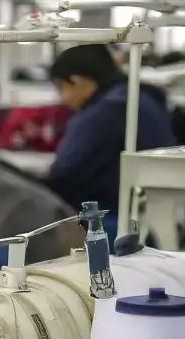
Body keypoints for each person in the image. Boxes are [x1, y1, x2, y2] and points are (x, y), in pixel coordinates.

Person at [45, 43, 174, 237]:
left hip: (112, 223)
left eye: (61, 88)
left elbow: (62, 176)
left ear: (78, 81)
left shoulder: (103, 113)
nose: (62, 99)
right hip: (154, 220)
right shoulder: (145, 97)